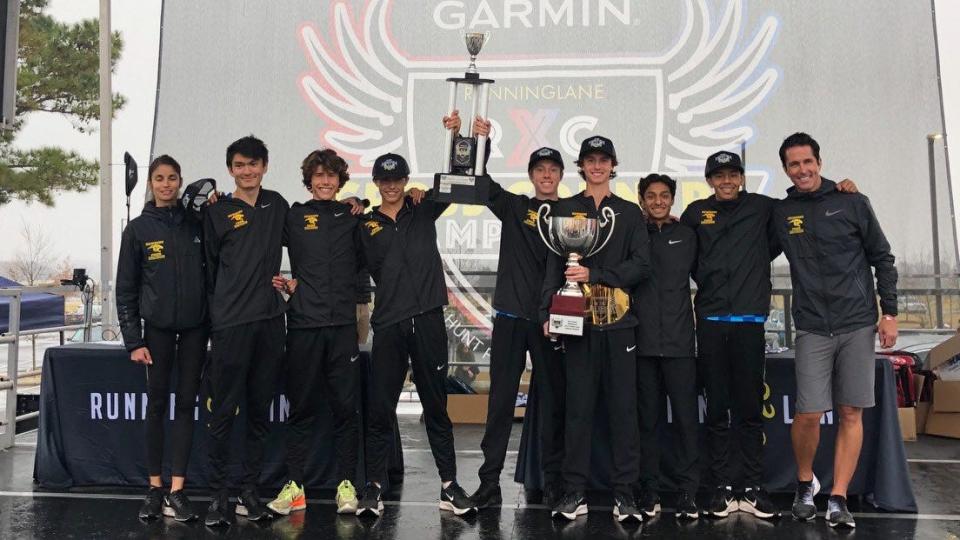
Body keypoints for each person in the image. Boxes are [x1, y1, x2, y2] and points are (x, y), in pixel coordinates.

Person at [680, 151, 858, 520]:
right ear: (709, 180)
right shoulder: (696, 213)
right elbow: (688, 258)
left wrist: (840, 190)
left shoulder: (765, 208)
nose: (726, 181)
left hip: (749, 323)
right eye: (719, 176)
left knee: (748, 409)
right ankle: (719, 489)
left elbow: (803, 208)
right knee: (716, 410)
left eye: (733, 174)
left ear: (742, 177)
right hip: (711, 321)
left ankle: (751, 488)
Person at [772, 132, 898, 529]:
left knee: (849, 411)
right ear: (786, 170)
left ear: (820, 163)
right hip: (811, 326)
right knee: (808, 413)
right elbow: (742, 240)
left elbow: (883, 258)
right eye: (794, 164)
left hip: (858, 323)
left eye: (808, 162)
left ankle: (839, 497)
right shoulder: (780, 212)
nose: (802, 170)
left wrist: (889, 312)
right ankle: (805, 485)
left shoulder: (852, 201)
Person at [442, 111, 567, 510]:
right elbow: (481, 182)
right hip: (512, 318)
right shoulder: (514, 206)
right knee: (499, 404)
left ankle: (553, 481)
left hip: (551, 323)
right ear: (531, 175)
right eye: (540, 169)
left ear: (560, 175)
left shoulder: (574, 214)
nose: (546, 175)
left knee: (551, 402)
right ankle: (489, 482)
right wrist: (478, 142)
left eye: (552, 169)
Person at [356, 153, 475, 518]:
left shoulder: (423, 208)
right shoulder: (364, 225)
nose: (391, 186)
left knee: (436, 408)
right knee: (380, 411)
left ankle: (449, 486)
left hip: (427, 321)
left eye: (397, 179)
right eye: (384, 180)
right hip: (390, 324)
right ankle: (374, 488)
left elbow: (460, 174)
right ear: (376, 182)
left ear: (407, 180)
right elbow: (339, 265)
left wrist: (458, 134)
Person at [540, 136, 649, 523]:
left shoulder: (629, 213)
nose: (597, 166)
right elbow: (554, 267)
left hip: (620, 324)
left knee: (623, 412)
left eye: (604, 160)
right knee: (578, 412)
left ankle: (625, 495)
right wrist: (546, 313)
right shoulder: (567, 210)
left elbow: (642, 265)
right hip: (577, 323)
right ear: (582, 166)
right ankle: (574, 492)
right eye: (590, 160)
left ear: (613, 165)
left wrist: (597, 273)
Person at [266, 149, 364, 516]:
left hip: (341, 327)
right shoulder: (294, 216)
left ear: (340, 181)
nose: (325, 181)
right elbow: (258, 244)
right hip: (304, 325)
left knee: (344, 410)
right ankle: (295, 488)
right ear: (309, 180)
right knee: (301, 409)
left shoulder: (352, 215)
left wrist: (361, 201)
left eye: (331, 176)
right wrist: (287, 285)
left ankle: (346, 485)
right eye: (318, 176)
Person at [116, 155, 209, 522]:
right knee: (156, 407)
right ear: (151, 184)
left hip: (195, 330)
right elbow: (126, 290)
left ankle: (177, 491)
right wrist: (133, 341)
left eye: (172, 178)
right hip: (154, 332)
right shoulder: (138, 230)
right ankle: (154, 488)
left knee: (186, 406)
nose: (166, 184)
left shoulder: (198, 224)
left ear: (180, 181)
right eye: (159, 178)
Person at [202, 135, 289, 526]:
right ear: (230, 170)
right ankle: (219, 495)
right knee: (222, 413)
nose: (247, 171)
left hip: (270, 323)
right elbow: (207, 268)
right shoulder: (217, 211)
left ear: (265, 166)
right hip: (230, 325)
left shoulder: (278, 205)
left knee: (258, 413)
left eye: (254, 164)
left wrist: (294, 284)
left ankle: (248, 493)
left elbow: (311, 242)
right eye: (239, 165)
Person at [633, 174, 700, 520]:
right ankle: (650, 490)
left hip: (679, 346)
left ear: (672, 199)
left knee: (687, 421)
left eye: (664, 196)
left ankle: (688, 492)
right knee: (648, 422)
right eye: (651, 196)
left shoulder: (687, 234)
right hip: (642, 345)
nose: (658, 201)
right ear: (642, 199)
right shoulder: (634, 233)